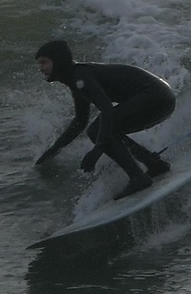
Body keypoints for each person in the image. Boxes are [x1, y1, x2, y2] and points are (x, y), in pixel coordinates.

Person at [33, 39, 176, 199]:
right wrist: (53, 150)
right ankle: (153, 164)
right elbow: (80, 120)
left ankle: (138, 177)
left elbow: (106, 109)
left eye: (44, 62)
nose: (41, 69)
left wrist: (97, 150)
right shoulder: (76, 79)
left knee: (98, 130)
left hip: (156, 97)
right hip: (161, 98)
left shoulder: (81, 77)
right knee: (107, 129)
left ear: (58, 60)